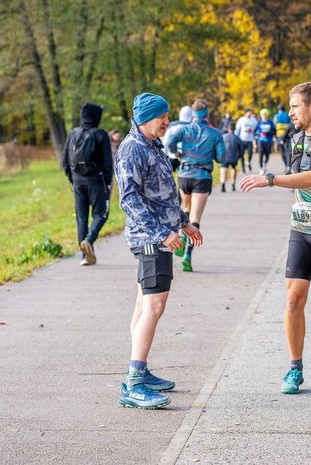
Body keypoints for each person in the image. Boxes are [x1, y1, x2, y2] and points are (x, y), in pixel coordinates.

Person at [240, 82, 311, 396]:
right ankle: (295, 368)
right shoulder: (295, 139)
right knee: (293, 300)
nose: (290, 112)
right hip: (302, 229)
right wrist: (298, 210)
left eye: (294, 106)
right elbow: (298, 184)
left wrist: (269, 179)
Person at [115, 93, 203, 409]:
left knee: (144, 306)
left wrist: (184, 223)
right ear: (144, 118)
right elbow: (129, 200)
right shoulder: (133, 150)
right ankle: (134, 384)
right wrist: (162, 233)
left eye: (167, 115)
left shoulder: (153, 145)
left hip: (161, 235)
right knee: (155, 306)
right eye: (161, 117)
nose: (167, 121)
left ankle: (140, 371)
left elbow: (164, 195)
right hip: (150, 239)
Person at [164, 98, 226, 272]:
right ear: (207, 114)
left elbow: (169, 143)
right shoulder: (215, 134)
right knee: (196, 217)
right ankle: (187, 254)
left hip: (184, 174)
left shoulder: (184, 129)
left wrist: (179, 154)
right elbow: (221, 158)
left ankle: (182, 239)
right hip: (202, 176)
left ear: (193, 114)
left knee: (186, 208)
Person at [61, 103, 114, 266]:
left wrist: (73, 179)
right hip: (97, 181)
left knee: (81, 219)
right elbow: (107, 162)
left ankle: (84, 256)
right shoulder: (101, 135)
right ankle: (89, 240)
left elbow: (64, 161)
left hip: (77, 182)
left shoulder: (73, 134)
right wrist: (108, 182)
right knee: (101, 214)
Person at [220, 123, 242, 192]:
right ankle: (233, 185)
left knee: (223, 169)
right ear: (235, 129)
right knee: (233, 168)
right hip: (234, 157)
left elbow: (219, 147)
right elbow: (241, 150)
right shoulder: (237, 138)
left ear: (228, 129)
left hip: (224, 157)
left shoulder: (223, 137)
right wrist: (238, 157)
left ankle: (223, 184)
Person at [254, 108, 277, 174]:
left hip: (268, 141)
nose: (264, 116)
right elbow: (254, 131)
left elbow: (274, 131)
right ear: (261, 115)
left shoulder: (270, 122)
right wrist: (258, 135)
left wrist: (268, 133)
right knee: (261, 154)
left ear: (267, 115)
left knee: (267, 155)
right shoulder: (259, 122)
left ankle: (264, 163)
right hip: (260, 141)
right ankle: (261, 168)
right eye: (263, 114)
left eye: (265, 114)